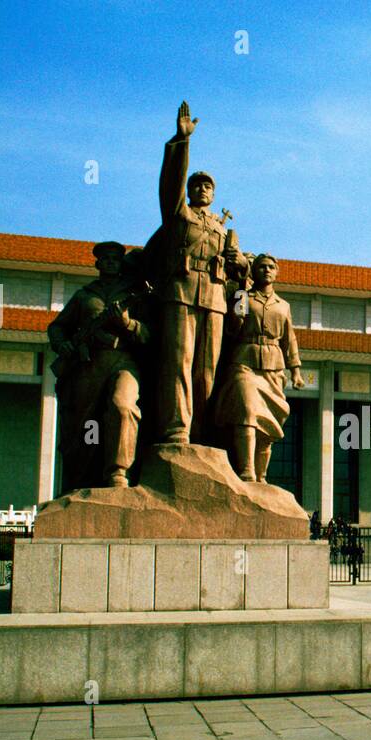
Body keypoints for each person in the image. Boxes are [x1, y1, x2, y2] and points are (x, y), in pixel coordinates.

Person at [147, 101, 249, 445]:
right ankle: (176, 428)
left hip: (215, 300)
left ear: (214, 193)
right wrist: (182, 140)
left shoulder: (222, 230)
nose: (202, 189)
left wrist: (240, 264)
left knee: (207, 371)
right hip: (180, 292)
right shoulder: (178, 215)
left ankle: (201, 432)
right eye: (197, 185)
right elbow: (170, 182)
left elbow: (239, 276)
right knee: (179, 361)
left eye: (207, 186)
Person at [47, 241, 150, 491]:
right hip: (89, 365)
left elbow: (149, 334)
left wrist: (127, 323)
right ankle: (85, 477)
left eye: (115, 258)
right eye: (105, 258)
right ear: (97, 263)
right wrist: (62, 345)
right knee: (88, 426)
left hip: (123, 361)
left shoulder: (135, 293)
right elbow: (57, 327)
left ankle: (118, 471)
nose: (111, 262)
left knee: (123, 406)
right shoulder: (85, 295)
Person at [212, 253, 305, 480]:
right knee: (247, 410)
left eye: (271, 267)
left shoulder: (283, 306)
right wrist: (239, 308)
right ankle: (246, 470)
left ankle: (261, 475)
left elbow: (289, 339)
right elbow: (232, 331)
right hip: (245, 361)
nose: (266, 270)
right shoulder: (243, 297)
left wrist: (296, 371)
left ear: (276, 272)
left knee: (268, 425)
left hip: (273, 368)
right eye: (262, 266)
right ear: (253, 271)